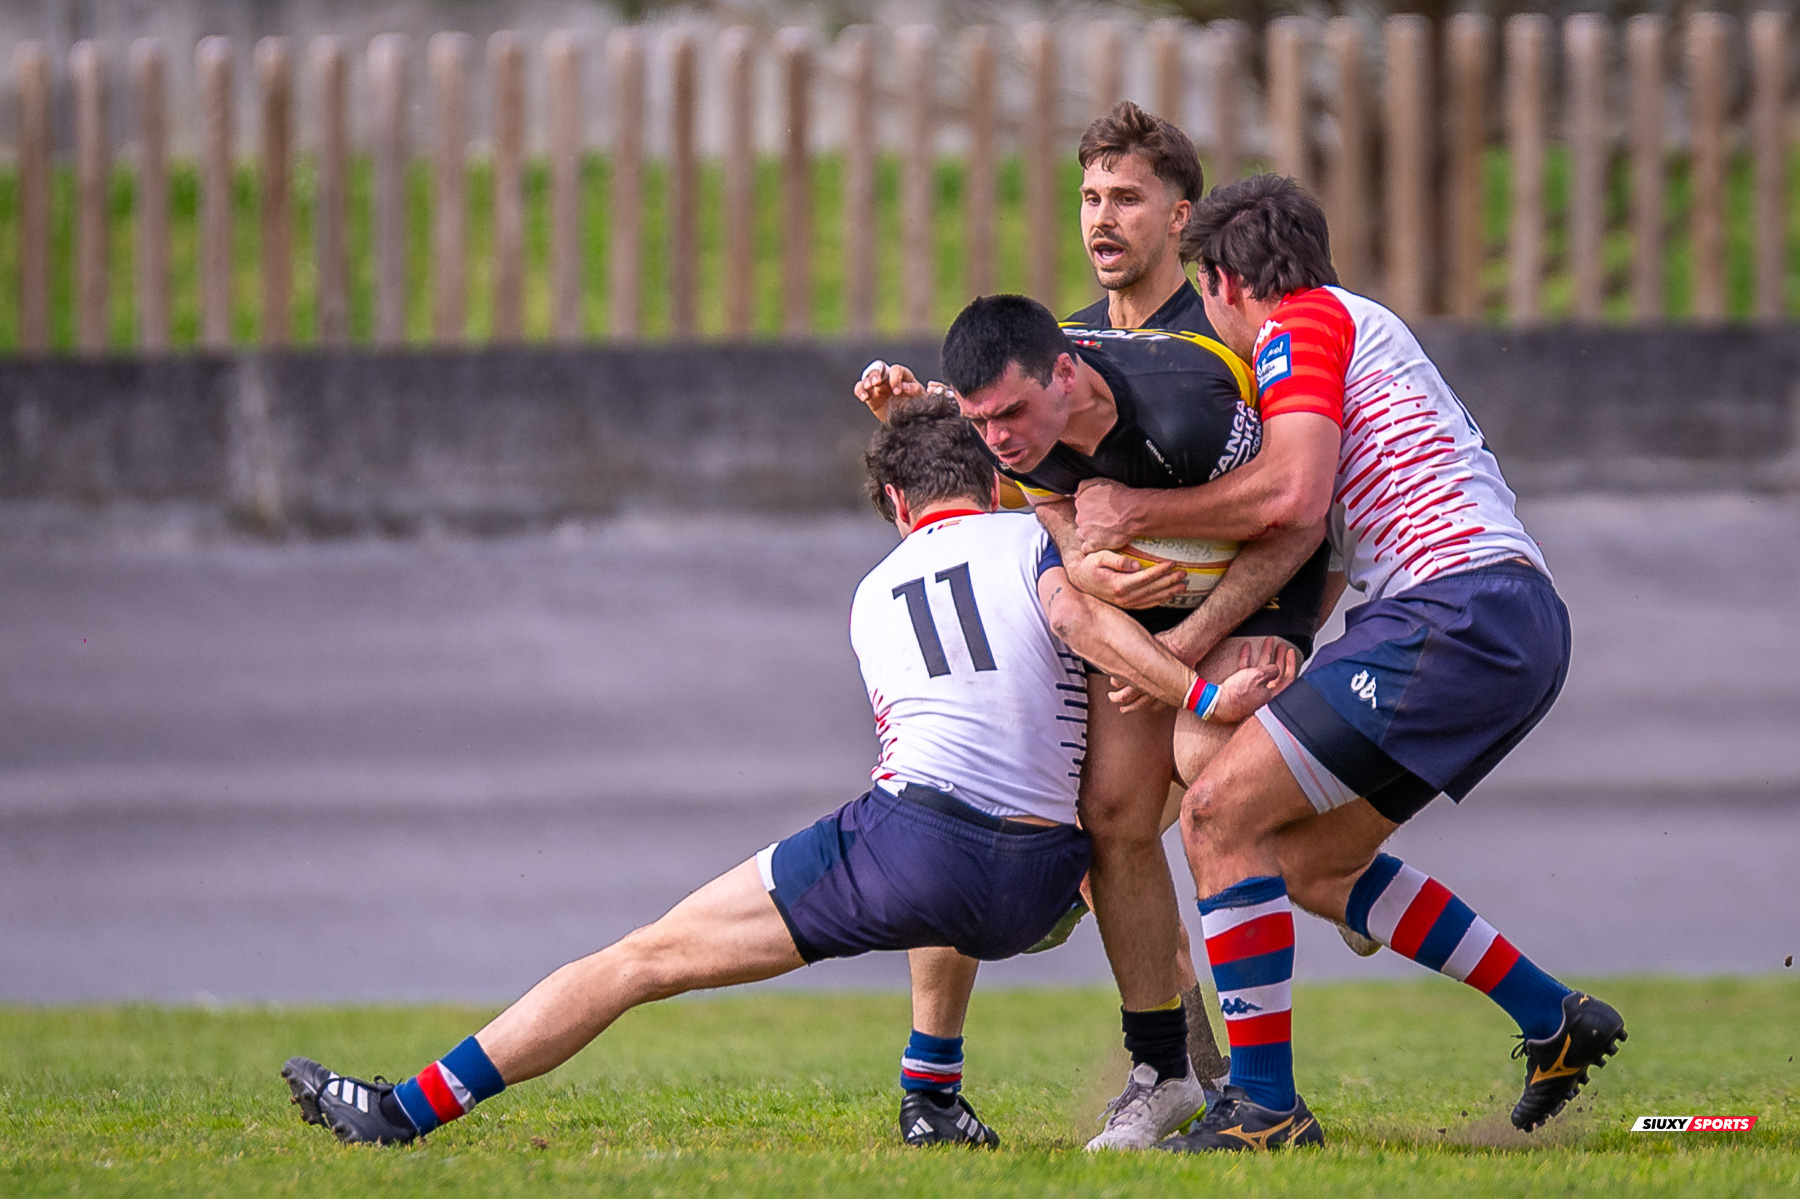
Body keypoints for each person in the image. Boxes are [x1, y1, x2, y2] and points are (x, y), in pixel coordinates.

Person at [279, 395, 1294, 1151]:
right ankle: (939, 1094)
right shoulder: (1045, 539)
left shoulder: (872, 592)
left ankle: (403, 1109)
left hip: (916, 855)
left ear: (897, 504)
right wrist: (1206, 685)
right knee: (997, 812)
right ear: (993, 480)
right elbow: (1079, 637)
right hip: (1040, 878)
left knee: (642, 956)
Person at [1071, 173, 1627, 1152]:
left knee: (1215, 812)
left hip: (1455, 611)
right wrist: (1240, 636)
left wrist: (1137, 515)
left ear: (1225, 281)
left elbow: (1289, 493)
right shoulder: (1348, 328)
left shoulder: (1304, 325)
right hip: (1498, 617)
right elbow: (1316, 528)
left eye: (1207, 296)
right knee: (1309, 859)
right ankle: (1556, 1019)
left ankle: (1265, 1109)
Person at [857, 103, 1332, 1152]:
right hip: (1122, 644)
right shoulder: (1063, 345)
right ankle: (1186, 1072)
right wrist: (925, 411)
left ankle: (1285, 975)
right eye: (1089, 198)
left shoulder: (1224, 342)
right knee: (1097, 817)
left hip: (1227, 625)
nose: (1102, 218)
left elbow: (1300, 510)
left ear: (1181, 214)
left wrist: (1249, 631)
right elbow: (1024, 466)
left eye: (1125, 197)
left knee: (1198, 809)